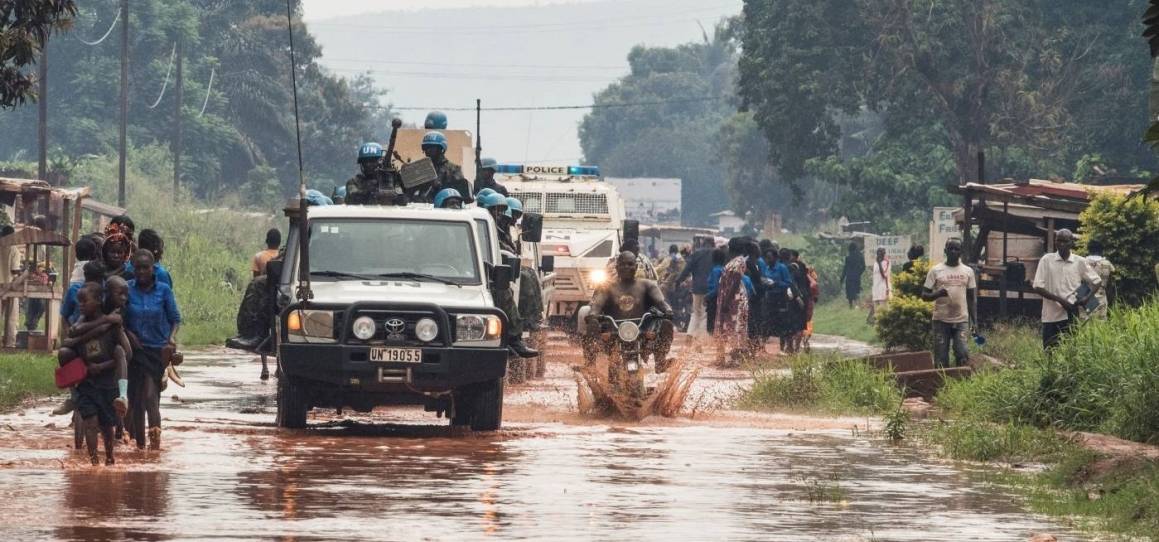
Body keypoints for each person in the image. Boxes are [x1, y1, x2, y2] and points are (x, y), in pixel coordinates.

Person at [64, 282, 129, 466]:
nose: (81, 305)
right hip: (87, 384)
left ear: (99, 300)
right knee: (90, 423)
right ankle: (94, 463)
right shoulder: (80, 325)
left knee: (107, 427)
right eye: (79, 302)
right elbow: (69, 345)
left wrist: (102, 366)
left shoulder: (113, 326)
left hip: (108, 384)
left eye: (84, 301)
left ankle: (109, 458)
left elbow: (126, 353)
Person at [125, 250, 182, 450]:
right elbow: (119, 317)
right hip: (134, 350)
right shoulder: (127, 289)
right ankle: (141, 447)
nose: (141, 272)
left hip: (157, 350)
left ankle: (156, 445)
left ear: (153, 269)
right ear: (133, 269)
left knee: (150, 395)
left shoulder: (164, 290)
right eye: (137, 268)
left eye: (145, 267)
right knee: (136, 399)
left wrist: (171, 339)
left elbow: (175, 319)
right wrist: (128, 334)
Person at [586, 251, 675, 373]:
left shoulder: (647, 285)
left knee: (667, 324)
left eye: (630, 264)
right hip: (613, 332)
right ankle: (590, 365)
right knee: (592, 325)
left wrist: (668, 310)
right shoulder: (606, 287)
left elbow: (661, 302)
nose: (626, 267)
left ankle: (660, 361)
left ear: (636, 267)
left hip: (642, 331)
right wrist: (593, 315)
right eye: (623, 264)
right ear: (617, 267)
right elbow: (597, 305)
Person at [479, 193, 537, 358]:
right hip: (479, 274)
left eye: (500, 211)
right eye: (495, 210)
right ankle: (514, 336)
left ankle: (527, 323)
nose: (499, 215)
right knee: (506, 291)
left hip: (489, 272)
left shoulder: (495, 227)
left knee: (520, 279)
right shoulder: (479, 224)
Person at [1032, 229, 1100, 350]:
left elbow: (1097, 281)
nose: (1061, 244)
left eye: (1065, 241)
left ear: (1071, 243)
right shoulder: (1046, 260)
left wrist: (1086, 298)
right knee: (1049, 351)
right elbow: (1037, 286)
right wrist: (1060, 301)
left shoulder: (1080, 262)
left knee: (1070, 351)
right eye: (1058, 240)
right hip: (1050, 315)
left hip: (1071, 314)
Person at [921, 239, 976, 367]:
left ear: (961, 252)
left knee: (962, 353)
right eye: (950, 248)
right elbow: (924, 295)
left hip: (961, 320)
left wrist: (975, 322)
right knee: (941, 359)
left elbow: (971, 298)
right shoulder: (935, 270)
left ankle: (961, 378)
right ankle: (942, 379)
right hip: (941, 320)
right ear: (945, 251)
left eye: (956, 249)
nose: (953, 251)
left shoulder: (968, 271)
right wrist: (937, 294)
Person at [714, 238, 754, 367]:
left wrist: (727, 301)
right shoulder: (733, 260)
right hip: (727, 296)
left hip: (735, 299)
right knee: (726, 325)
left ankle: (735, 358)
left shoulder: (739, 261)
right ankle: (723, 357)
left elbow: (736, 282)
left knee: (736, 327)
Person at [413, 131, 472, 204]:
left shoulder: (453, 169)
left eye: (432, 148)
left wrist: (441, 186)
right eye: (426, 148)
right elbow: (409, 193)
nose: (428, 151)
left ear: (441, 149)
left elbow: (459, 195)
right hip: (420, 207)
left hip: (443, 207)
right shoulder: (420, 169)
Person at [673, 238, 715, 340]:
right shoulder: (716, 254)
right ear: (713, 244)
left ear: (703, 244)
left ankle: (690, 334)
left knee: (696, 312)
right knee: (705, 314)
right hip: (710, 288)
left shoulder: (696, 253)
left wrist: (678, 281)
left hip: (697, 287)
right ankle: (700, 339)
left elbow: (687, 269)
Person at [1084, 239, 1114, 320]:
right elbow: (1110, 285)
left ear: (1088, 249)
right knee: (1101, 325)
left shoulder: (1083, 262)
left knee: (1085, 324)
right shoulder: (1107, 264)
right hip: (1102, 297)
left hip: (1086, 298)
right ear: (1101, 250)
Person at [705, 247, 728, 334]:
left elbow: (716, 288)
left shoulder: (715, 271)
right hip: (720, 299)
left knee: (711, 325)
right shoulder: (723, 269)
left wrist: (707, 296)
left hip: (713, 299)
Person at [868, 247, 891, 324]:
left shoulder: (885, 262)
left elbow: (884, 275)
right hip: (877, 288)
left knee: (882, 308)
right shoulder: (876, 263)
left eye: (881, 253)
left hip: (881, 287)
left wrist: (887, 288)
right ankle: (878, 324)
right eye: (878, 253)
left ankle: (883, 323)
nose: (879, 255)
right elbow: (876, 275)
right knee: (877, 308)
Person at [840, 243, 865, 310]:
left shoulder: (848, 258)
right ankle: (857, 304)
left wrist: (842, 278)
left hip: (849, 277)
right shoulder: (860, 257)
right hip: (857, 277)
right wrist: (859, 273)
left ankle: (851, 305)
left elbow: (845, 269)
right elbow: (863, 267)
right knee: (856, 290)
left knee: (849, 291)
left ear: (849, 249)